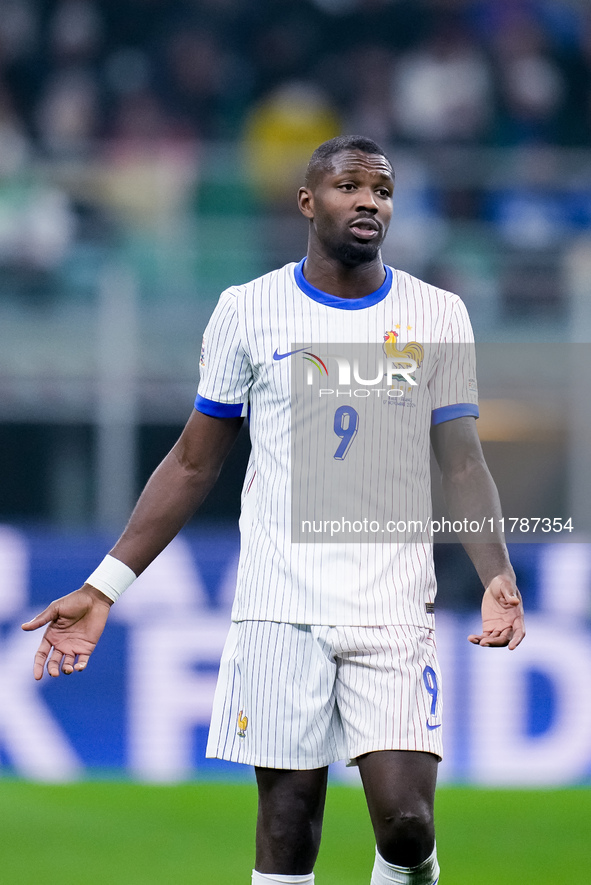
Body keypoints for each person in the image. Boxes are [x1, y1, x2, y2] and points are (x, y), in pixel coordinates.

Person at [23, 135, 525, 885]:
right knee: (288, 824)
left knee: (407, 823)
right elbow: (194, 461)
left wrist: (496, 574)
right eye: (348, 186)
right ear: (306, 201)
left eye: (381, 191)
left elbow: (461, 459)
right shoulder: (248, 310)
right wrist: (103, 587)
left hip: (390, 602)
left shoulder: (436, 312)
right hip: (277, 600)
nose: (367, 201)